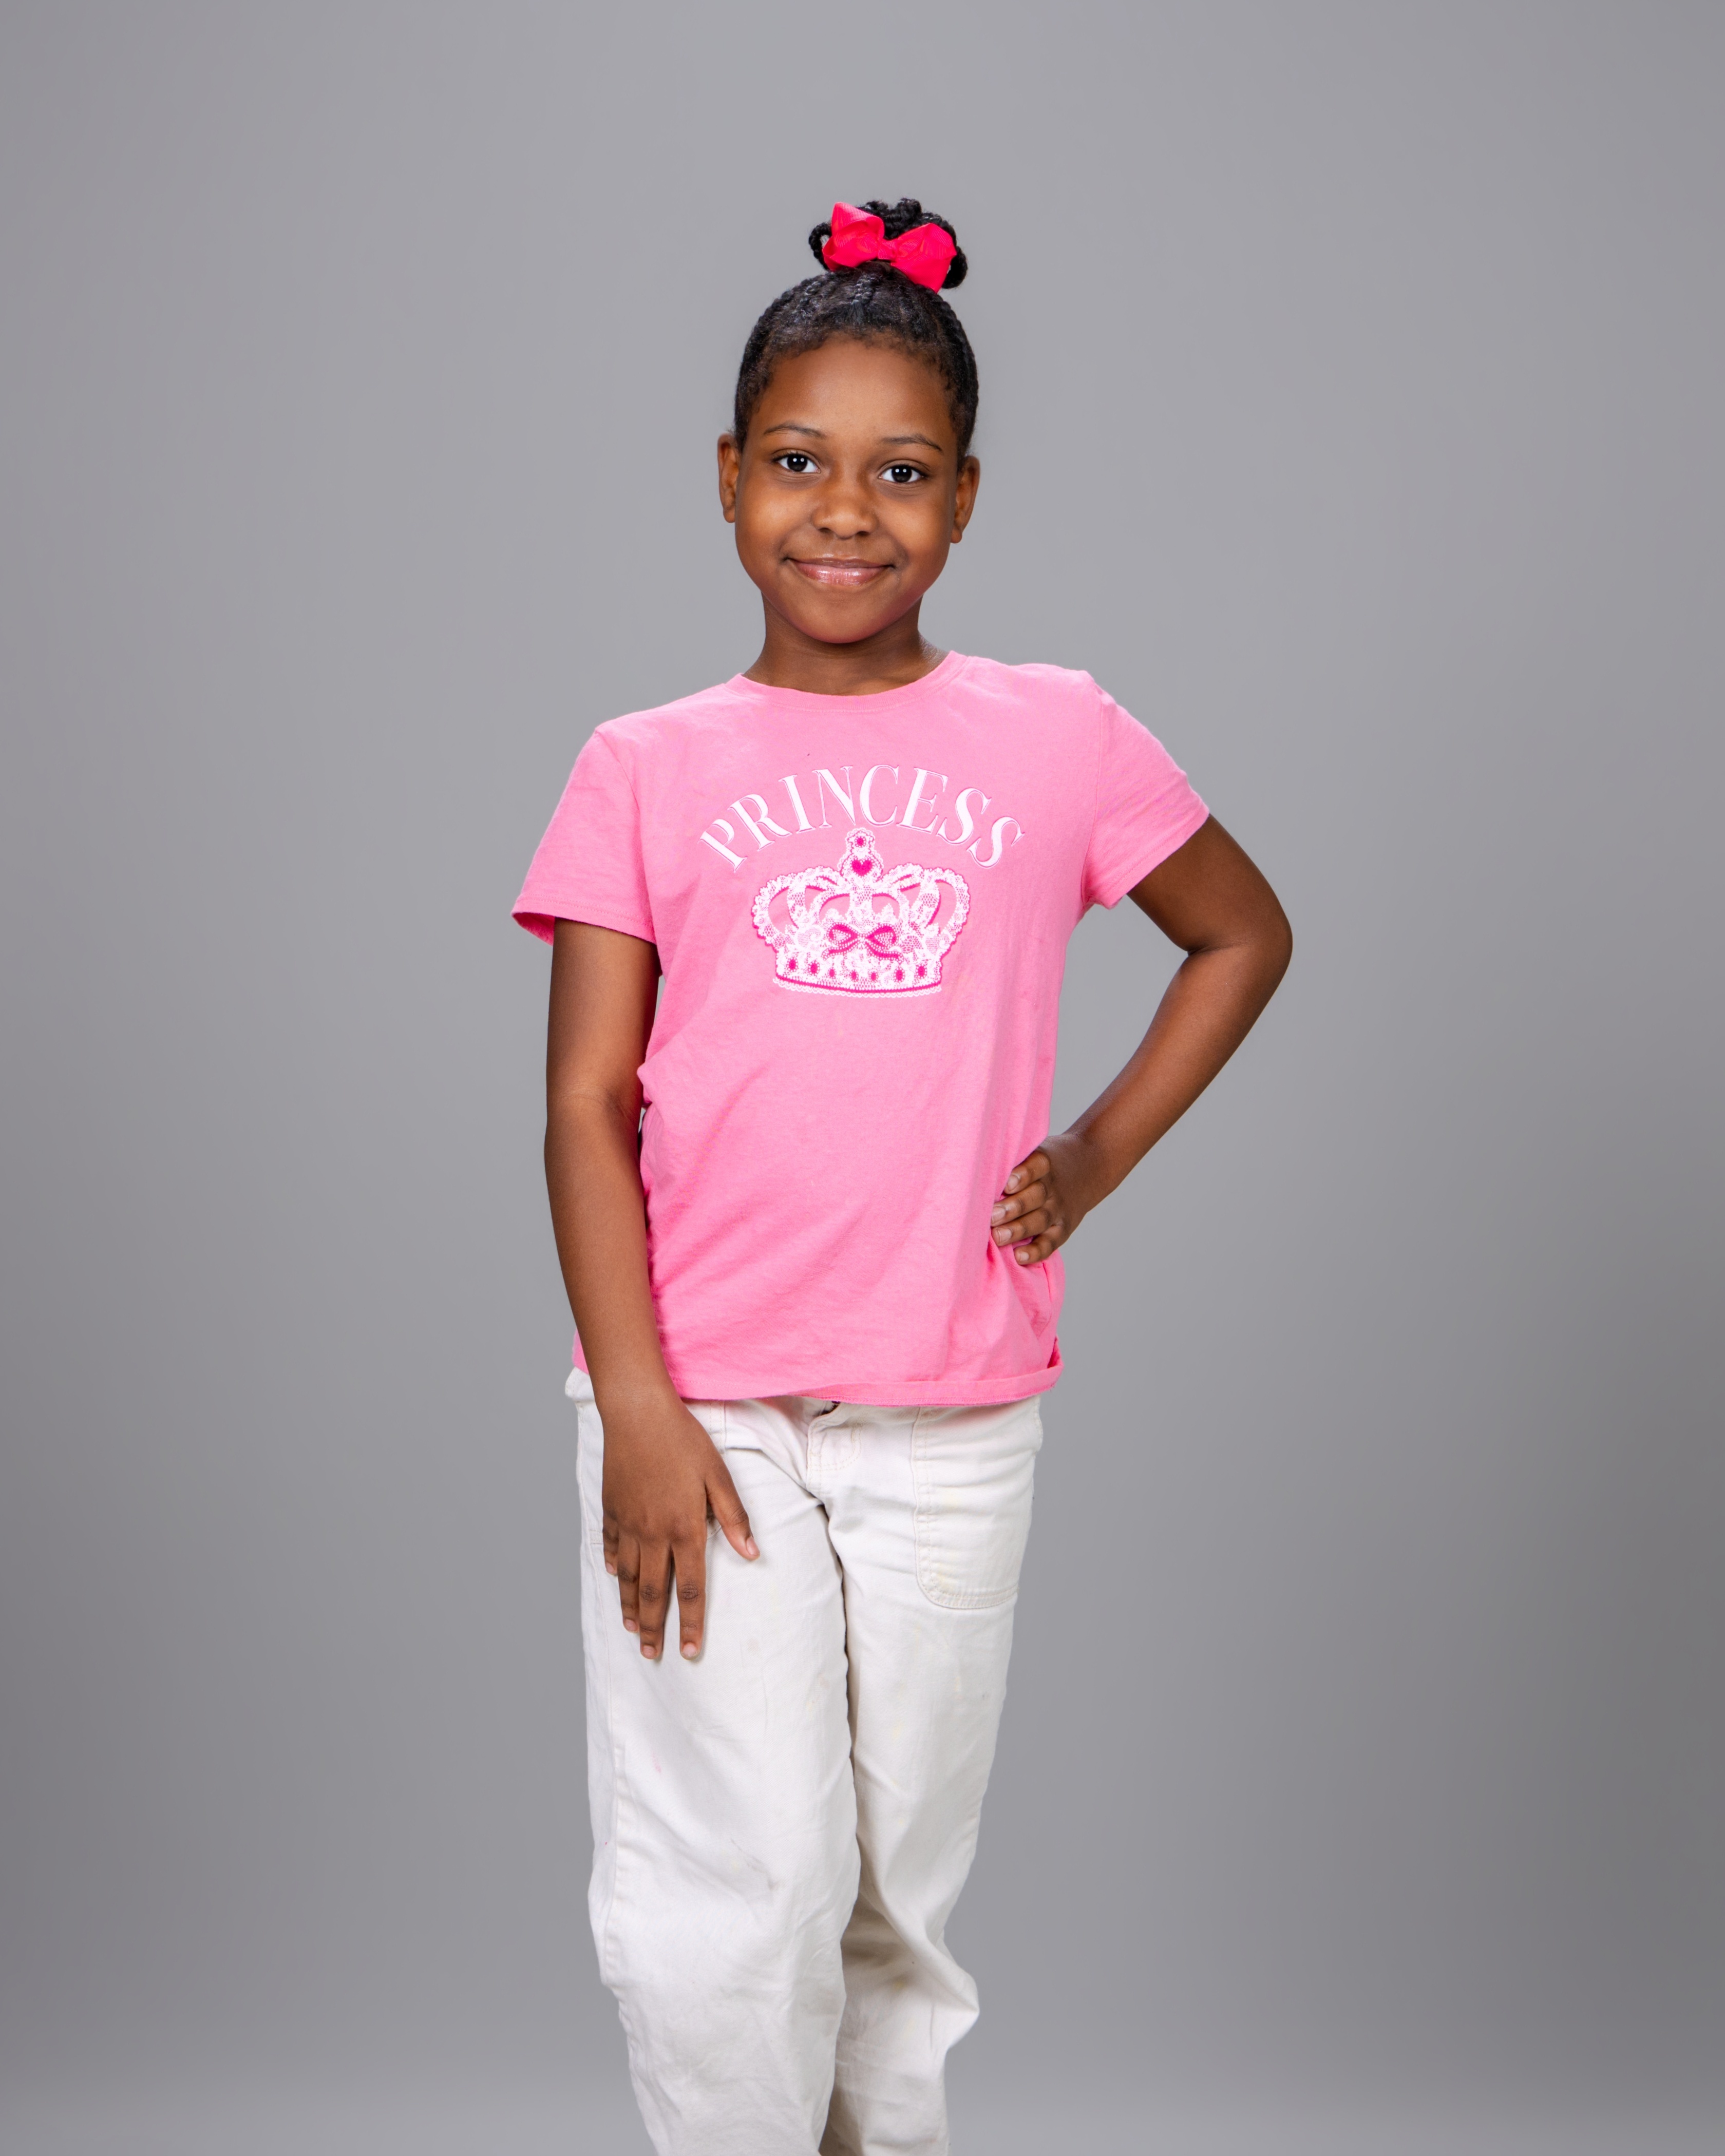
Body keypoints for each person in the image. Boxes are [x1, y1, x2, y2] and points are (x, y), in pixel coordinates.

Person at [513, 198, 1292, 2156]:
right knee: (737, 1884)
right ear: (726, 478)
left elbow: (1242, 932)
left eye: (902, 471)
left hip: (955, 1410)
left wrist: (1090, 1157)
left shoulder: (1059, 733)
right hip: (702, 1406)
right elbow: (586, 1104)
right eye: (799, 462)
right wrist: (635, 1409)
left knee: (891, 1900)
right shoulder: (643, 764)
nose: (845, 512)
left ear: (965, 499)